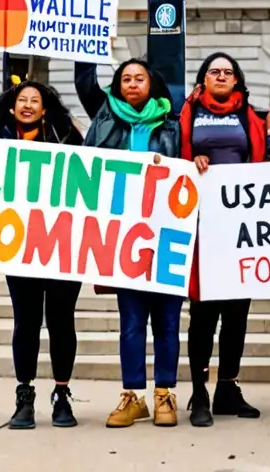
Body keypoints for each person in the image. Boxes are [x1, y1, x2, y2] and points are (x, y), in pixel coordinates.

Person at [74, 59, 182, 428]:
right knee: (132, 323)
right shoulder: (104, 120)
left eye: (139, 78)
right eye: (125, 79)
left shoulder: (174, 124)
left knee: (168, 323)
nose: (132, 84)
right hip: (123, 239)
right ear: (116, 86)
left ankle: (165, 394)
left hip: (167, 235)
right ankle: (132, 396)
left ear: (152, 84)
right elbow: (84, 83)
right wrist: (87, 48)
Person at [0, 81, 84, 429]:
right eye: (22, 100)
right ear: (11, 107)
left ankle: (62, 395)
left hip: (63, 245)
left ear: (45, 108)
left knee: (62, 321)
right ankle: (25, 396)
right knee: (27, 322)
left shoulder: (67, 137)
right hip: (19, 246)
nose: (28, 105)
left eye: (35, 100)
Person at [181, 53, 268, 427]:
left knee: (236, 314)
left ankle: (228, 387)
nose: (221, 76)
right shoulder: (186, 113)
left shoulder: (249, 115)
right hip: (200, 225)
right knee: (202, 313)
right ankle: (199, 391)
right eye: (214, 71)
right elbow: (171, 156)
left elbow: (262, 157)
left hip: (240, 226)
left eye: (227, 72)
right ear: (203, 79)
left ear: (237, 80)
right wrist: (191, 163)